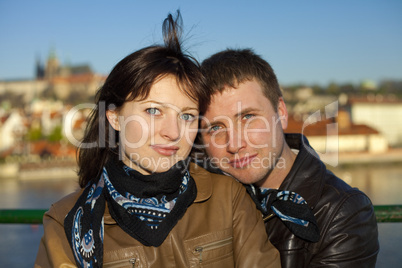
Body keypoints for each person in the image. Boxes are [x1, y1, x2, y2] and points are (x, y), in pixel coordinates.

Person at [34, 13, 281, 268]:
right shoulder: (65, 220)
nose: (173, 132)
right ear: (115, 117)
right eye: (153, 111)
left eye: (187, 115)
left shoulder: (228, 198)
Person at [198, 48, 379, 267]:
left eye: (248, 117)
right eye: (216, 127)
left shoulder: (343, 214)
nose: (234, 144)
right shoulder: (197, 197)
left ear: (281, 113)